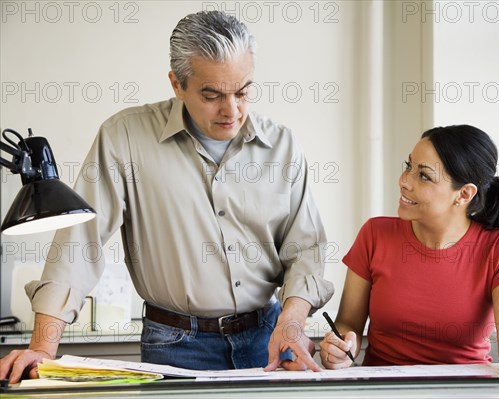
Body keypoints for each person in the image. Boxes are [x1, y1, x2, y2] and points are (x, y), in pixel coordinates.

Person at [0, 11, 334, 383]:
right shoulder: (124, 137)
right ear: (177, 84)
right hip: (175, 344)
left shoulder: (282, 146)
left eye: (243, 92)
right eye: (212, 95)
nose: (232, 110)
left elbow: (305, 249)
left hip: (268, 337)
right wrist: (43, 348)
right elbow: (80, 244)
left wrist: (292, 320)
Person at [318, 125, 499, 376]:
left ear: (464, 194)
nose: (404, 182)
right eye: (409, 166)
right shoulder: (375, 235)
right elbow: (347, 325)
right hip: (385, 388)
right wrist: (340, 346)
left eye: (423, 175)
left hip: (466, 389)